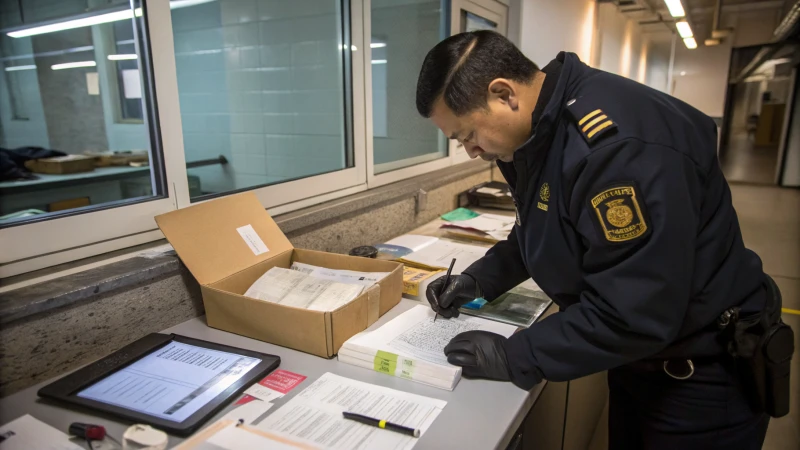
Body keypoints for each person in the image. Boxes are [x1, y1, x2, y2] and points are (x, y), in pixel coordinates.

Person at [417, 31, 784, 449]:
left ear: (504, 94)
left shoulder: (614, 151)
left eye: (466, 134)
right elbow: (544, 225)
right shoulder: (548, 127)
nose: (470, 151)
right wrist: (480, 280)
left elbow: (635, 311)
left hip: (699, 381)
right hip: (645, 361)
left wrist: (516, 356)